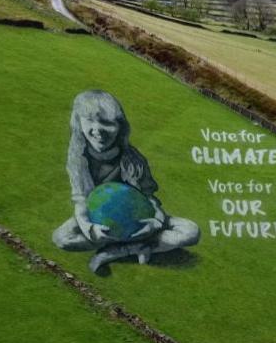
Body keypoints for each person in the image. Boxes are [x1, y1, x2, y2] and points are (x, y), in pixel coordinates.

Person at [52, 90, 199, 273]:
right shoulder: (77, 159)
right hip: (99, 221)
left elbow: (149, 199)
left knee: (191, 231)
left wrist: (154, 223)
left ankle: (121, 250)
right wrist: (90, 229)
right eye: (89, 120)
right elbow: (81, 201)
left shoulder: (133, 159)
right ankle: (134, 246)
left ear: (119, 126)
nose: (97, 130)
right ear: (78, 122)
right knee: (61, 237)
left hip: (137, 219)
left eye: (106, 122)